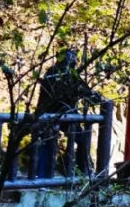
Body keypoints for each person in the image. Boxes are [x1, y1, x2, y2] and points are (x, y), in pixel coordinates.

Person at [34, 49, 104, 177]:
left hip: (57, 113)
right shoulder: (60, 75)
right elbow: (85, 92)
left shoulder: (54, 73)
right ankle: (78, 173)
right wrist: (95, 97)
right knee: (54, 142)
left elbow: (85, 91)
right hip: (59, 113)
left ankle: (46, 175)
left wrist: (94, 96)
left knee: (51, 143)